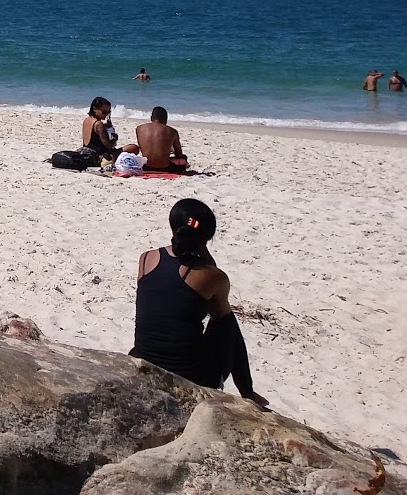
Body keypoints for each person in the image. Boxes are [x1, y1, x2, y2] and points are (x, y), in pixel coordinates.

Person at [130, 199, 269, 408]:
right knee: (226, 322)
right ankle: (247, 391)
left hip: (144, 360)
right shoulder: (213, 276)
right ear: (207, 237)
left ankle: (248, 391)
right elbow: (221, 318)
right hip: (192, 377)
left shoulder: (146, 258)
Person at [81, 97, 139, 162]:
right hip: (100, 157)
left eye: (108, 112)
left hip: (88, 153)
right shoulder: (99, 124)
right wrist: (114, 138)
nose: (106, 115)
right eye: (104, 112)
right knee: (134, 148)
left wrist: (106, 128)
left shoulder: (86, 120)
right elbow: (109, 145)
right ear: (94, 109)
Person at [135, 106, 189, 172]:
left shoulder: (139, 129)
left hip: (146, 166)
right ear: (166, 120)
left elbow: (144, 148)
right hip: (165, 168)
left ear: (151, 118)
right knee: (184, 158)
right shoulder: (172, 131)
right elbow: (179, 154)